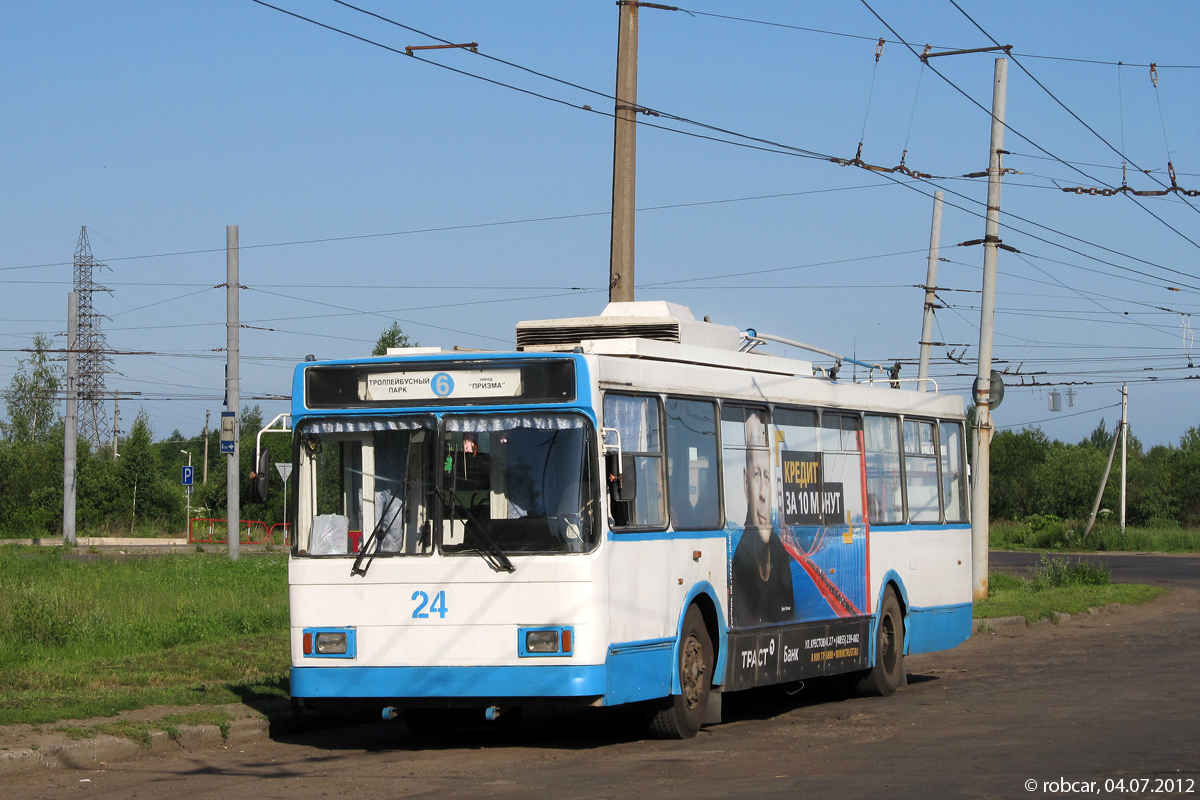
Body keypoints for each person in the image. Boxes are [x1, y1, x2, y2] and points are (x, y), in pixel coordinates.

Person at [731, 410, 794, 625]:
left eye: (766, 476)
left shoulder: (781, 556)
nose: (763, 494)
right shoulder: (738, 561)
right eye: (756, 475)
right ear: (745, 484)